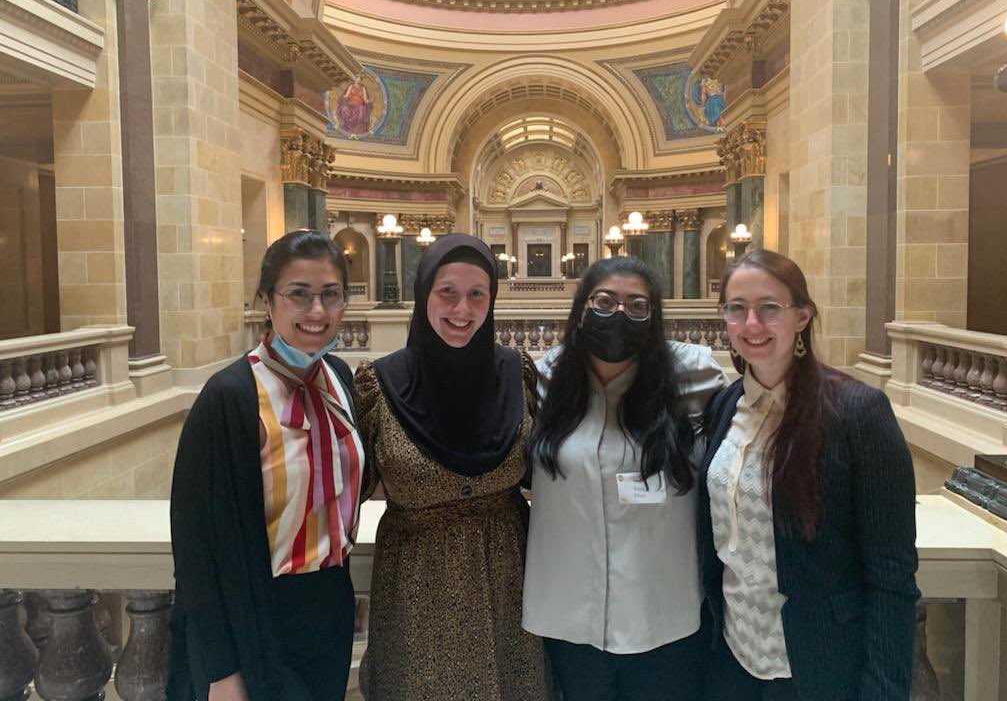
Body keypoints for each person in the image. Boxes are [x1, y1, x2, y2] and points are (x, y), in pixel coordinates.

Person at [699, 249, 919, 701]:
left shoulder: (857, 413)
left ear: (802, 317)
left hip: (819, 660)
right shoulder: (724, 406)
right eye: (736, 309)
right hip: (733, 657)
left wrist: (883, 690)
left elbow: (892, 575)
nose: (751, 324)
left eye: (769, 308)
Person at [167, 230, 364, 701]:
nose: (317, 312)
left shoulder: (338, 378)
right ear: (266, 301)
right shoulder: (230, 396)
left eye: (331, 295)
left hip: (331, 608)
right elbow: (194, 547)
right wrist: (220, 669)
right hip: (257, 616)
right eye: (299, 294)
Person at [353, 234, 550, 701]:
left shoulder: (517, 372)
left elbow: (544, 470)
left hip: (509, 577)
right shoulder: (378, 384)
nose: (462, 309)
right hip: (416, 585)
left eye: (477, 294)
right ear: (423, 295)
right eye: (447, 292)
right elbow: (346, 486)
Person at [523, 256, 727, 701]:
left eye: (637, 306)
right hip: (570, 617)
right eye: (604, 301)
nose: (620, 314)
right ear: (581, 310)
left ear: (654, 318)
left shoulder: (697, 376)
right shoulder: (545, 380)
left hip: (665, 616)